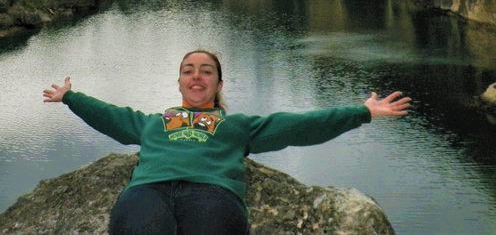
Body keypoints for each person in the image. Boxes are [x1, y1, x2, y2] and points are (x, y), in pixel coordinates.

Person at [43, 49, 411, 235]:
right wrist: (70, 97)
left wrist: (362, 112)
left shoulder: (237, 125)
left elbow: (299, 126)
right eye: (188, 70)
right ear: (180, 83)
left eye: (207, 71)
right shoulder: (152, 123)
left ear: (218, 85)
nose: (196, 75)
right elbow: (110, 115)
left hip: (212, 192)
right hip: (148, 191)